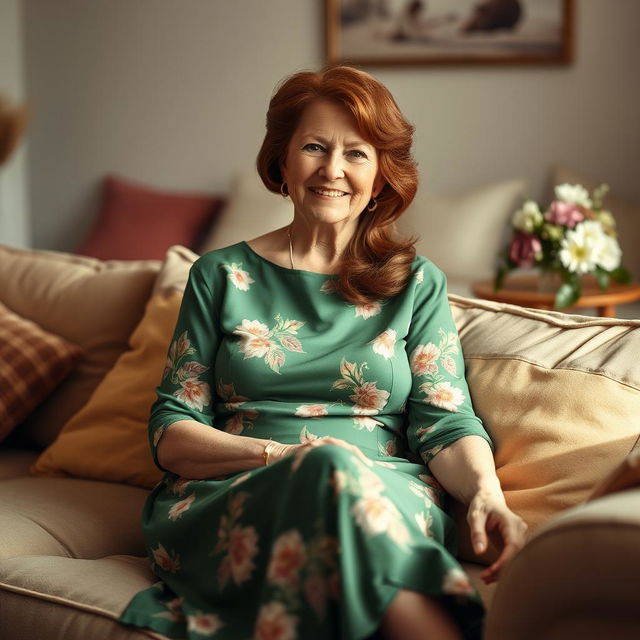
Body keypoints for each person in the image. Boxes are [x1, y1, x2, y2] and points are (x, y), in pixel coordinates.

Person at [119, 65, 527, 640]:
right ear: (282, 161)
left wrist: (488, 495)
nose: (333, 170)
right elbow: (172, 432)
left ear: (382, 174)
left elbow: (445, 420)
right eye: (314, 146)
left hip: (384, 490)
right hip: (240, 487)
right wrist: (285, 457)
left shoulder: (417, 284)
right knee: (327, 468)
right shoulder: (220, 275)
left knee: (343, 497)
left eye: (357, 154)